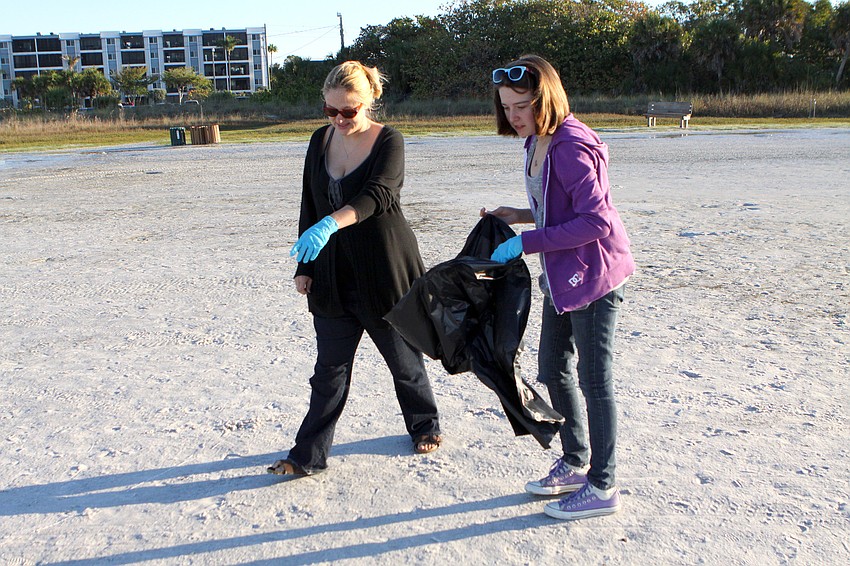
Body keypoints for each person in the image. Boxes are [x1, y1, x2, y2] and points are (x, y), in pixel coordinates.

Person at [267, 61, 442, 477]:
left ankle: (425, 424)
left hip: (384, 269)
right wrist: (305, 264)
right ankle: (306, 455)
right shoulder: (319, 140)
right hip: (331, 274)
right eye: (331, 111)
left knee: (404, 362)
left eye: (349, 111)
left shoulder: (389, 141)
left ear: (370, 102)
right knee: (328, 371)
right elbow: (310, 200)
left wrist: (333, 222)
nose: (340, 120)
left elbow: (380, 194)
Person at [483, 54, 635, 520]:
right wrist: (518, 214)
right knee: (553, 368)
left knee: (594, 379)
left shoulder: (570, 145)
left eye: (522, 105)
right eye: (507, 107)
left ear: (544, 98)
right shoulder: (537, 142)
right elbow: (559, 209)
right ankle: (575, 461)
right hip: (562, 278)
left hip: (593, 276)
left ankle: (603, 486)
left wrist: (526, 242)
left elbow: (595, 221)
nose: (514, 115)